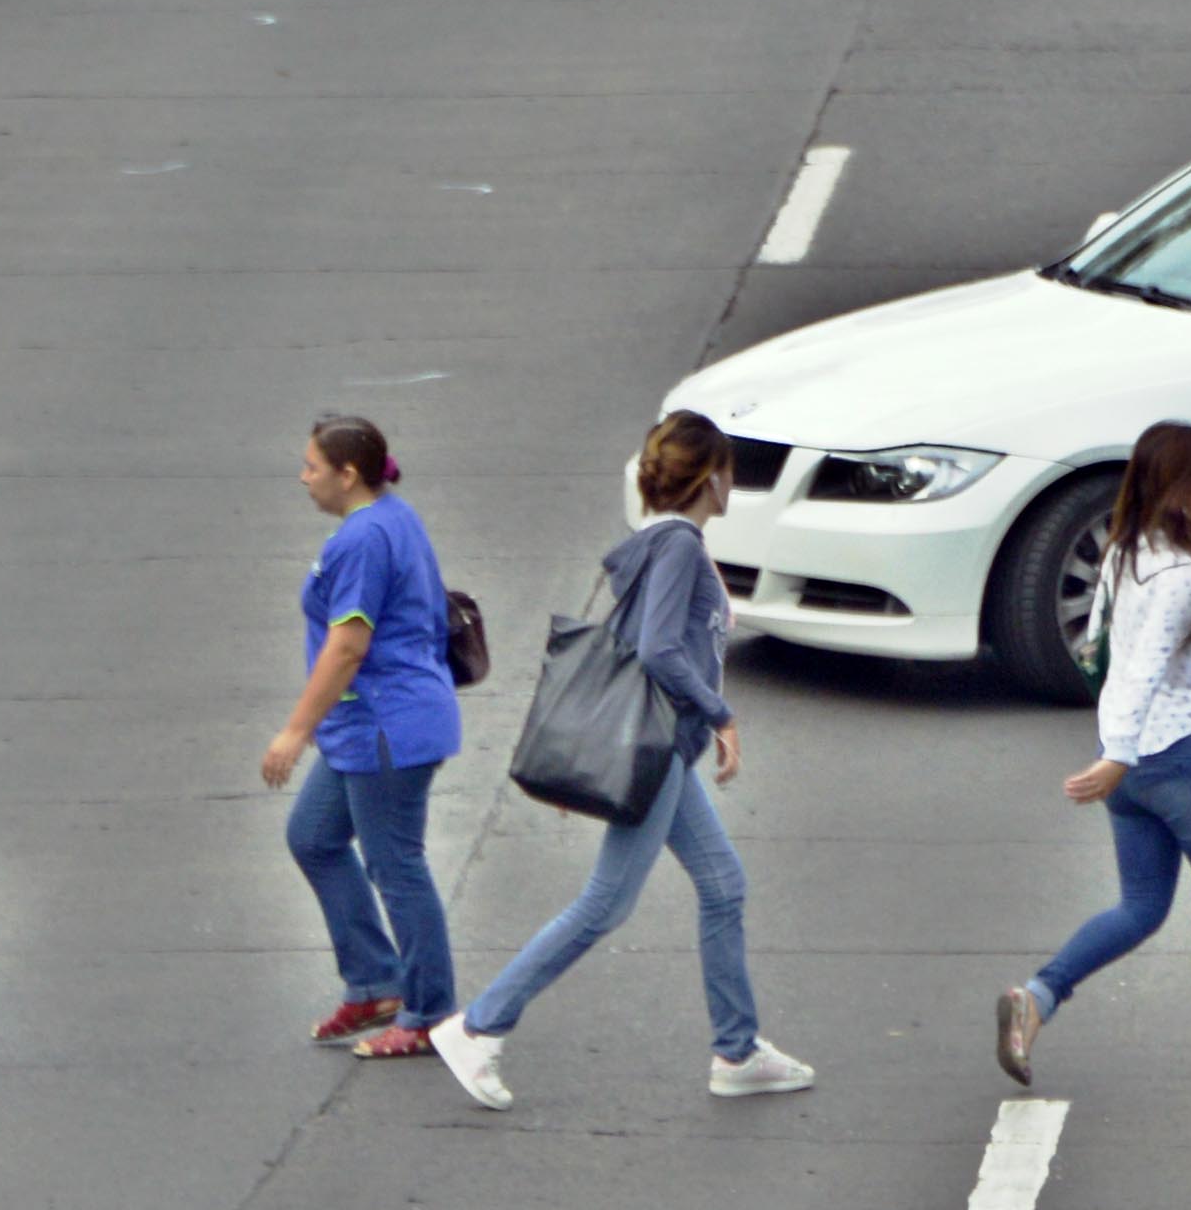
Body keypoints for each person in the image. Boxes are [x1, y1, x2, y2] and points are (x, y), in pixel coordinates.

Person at [440, 413, 812, 1106]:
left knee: (723, 885)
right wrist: (720, 713)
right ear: (713, 476)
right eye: (731, 469)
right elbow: (658, 650)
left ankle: (736, 1051)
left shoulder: (662, 543)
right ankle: (479, 1025)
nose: (734, 482)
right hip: (659, 748)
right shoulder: (677, 548)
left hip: (664, 748)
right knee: (606, 903)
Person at [1006, 422, 1191, 1087]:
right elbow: (1145, 666)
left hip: (1130, 768)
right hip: (1181, 755)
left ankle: (1037, 997)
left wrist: (1115, 752)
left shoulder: (1125, 552)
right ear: (1184, 487)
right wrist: (1119, 754)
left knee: (1141, 908)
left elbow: (1103, 651)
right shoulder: (1182, 572)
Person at [266, 413, 467, 1051]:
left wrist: (296, 732)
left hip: (387, 727)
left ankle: (429, 1014)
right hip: (367, 725)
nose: (303, 478)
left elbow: (348, 645)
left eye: (312, 467)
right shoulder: (390, 515)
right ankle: (376, 982)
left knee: (396, 865)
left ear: (348, 474)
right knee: (314, 837)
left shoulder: (360, 541)